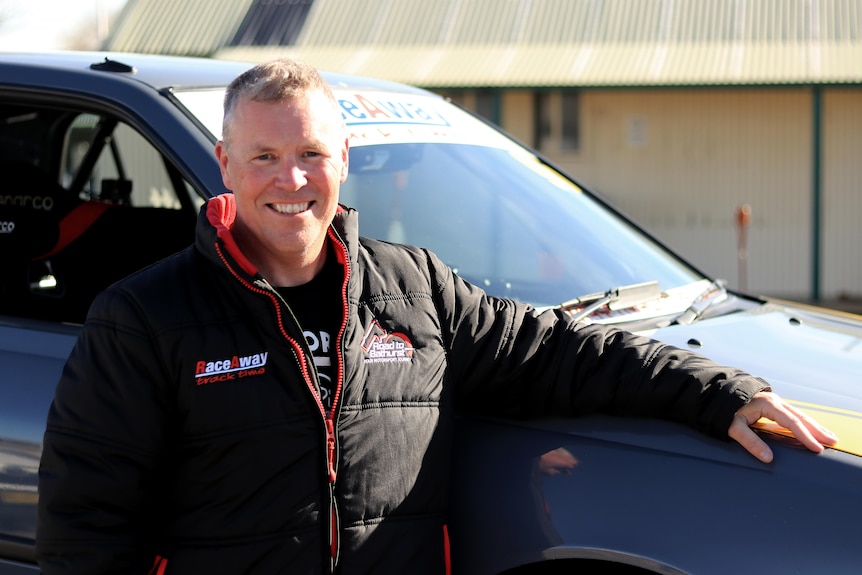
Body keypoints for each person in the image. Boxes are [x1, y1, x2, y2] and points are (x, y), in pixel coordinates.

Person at [36, 58, 837, 575]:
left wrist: (719, 392)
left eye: (312, 152)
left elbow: (560, 351)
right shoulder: (143, 317)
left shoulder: (412, 288)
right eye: (264, 157)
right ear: (227, 165)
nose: (292, 178)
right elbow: (87, 527)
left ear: (342, 161)